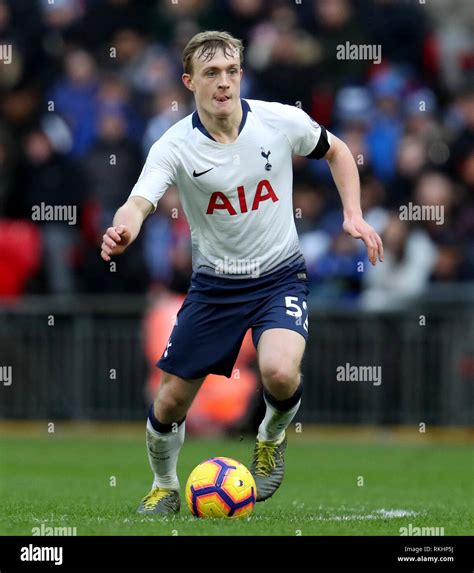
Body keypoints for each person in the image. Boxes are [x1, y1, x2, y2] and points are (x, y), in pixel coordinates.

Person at [100, 31, 384, 515]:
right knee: (169, 403)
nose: (225, 82)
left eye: (232, 70)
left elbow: (337, 151)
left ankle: (270, 438)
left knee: (278, 369)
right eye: (212, 73)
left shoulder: (278, 120)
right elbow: (138, 201)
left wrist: (353, 214)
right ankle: (165, 485)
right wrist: (121, 230)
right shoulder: (175, 146)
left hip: (280, 275)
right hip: (214, 286)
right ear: (190, 81)